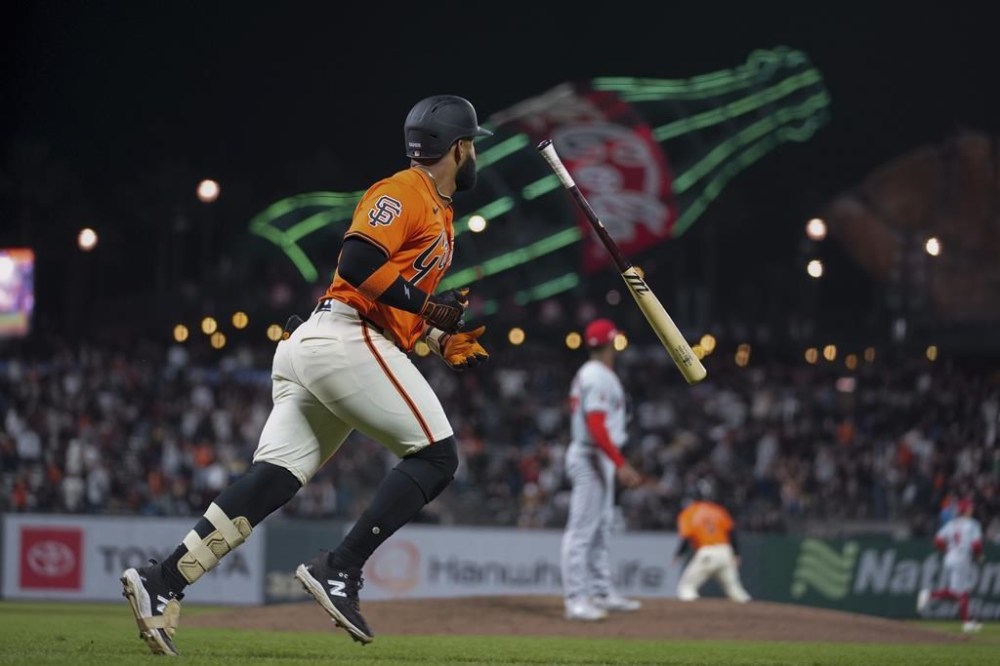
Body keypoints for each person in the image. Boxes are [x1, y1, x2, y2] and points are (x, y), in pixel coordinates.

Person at [120, 94, 493, 655]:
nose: (474, 156)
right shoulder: (403, 191)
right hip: (342, 337)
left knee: (273, 478)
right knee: (437, 456)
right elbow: (356, 265)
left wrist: (436, 337)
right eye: (472, 146)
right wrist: (425, 304)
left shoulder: (439, 210)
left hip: (322, 344)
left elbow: (393, 302)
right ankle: (339, 568)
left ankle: (163, 580)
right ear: (460, 148)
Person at [561, 318, 643, 621]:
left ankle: (601, 591)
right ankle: (575, 600)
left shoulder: (594, 373)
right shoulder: (596, 375)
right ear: (610, 343)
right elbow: (595, 423)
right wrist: (620, 464)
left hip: (598, 455)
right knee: (582, 531)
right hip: (591, 455)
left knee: (601, 527)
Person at [673, 481, 751, 603]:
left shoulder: (689, 513)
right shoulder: (718, 510)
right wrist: (736, 553)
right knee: (735, 591)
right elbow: (732, 533)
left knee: (686, 587)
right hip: (725, 552)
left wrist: (678, 554)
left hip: (708, 553)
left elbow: (686, 538)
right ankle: (755, 615)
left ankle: (693, 618)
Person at [917, 497, 985, 633]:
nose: (971, 509)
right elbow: (976, 545)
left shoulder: (952, 524)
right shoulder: (973, 524)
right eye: (969, 507)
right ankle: (930, 595)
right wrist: (978, 556)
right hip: (962, 559)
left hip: (950, 558)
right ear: (964, 510)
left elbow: (937, 541)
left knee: (960, 592)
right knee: (961, 591)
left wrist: (948, 550)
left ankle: (968, 621)